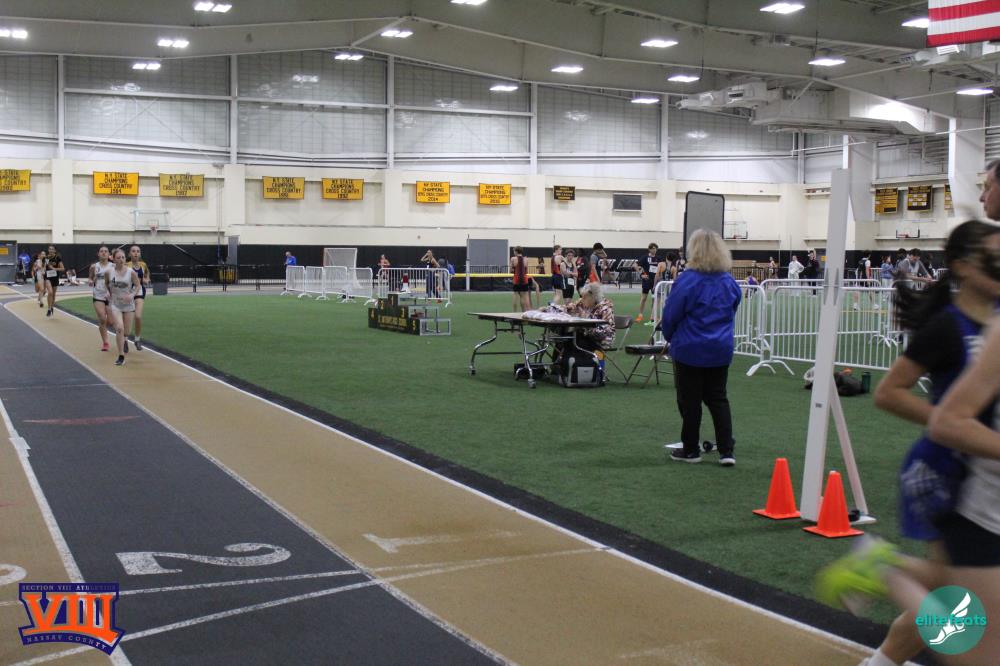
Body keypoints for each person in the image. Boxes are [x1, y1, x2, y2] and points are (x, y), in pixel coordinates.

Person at [856, 221, 1000, 666]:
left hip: (981, 470)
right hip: (944, 471)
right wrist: (951, 422)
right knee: (960, 604)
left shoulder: (995, 321)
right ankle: (880, 567)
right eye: (992, 259)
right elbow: (888, 393)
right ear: (962, 266)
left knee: (953, 591)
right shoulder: (947, 327)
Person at [661, 230, 742, 466]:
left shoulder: (687, 280)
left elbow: (671, 314)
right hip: (720, 348)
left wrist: (669, 335)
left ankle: (690, 449)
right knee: (718, 398)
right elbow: (734, 306)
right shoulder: (728, 281)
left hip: (690, 348)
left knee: (690, 401)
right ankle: (726, 450)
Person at [105, 248, 141, 366]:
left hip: (129, 306)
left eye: (123, 257)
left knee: (127, 331)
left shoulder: (131, 272)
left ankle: (125, 339)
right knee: (119, 328)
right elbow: (106, 284)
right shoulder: (109, 272)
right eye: (118, 258)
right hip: (116, 305)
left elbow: (138, 285)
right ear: (114, 259)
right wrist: (108, 292)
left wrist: (132, 295)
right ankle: (121, 355)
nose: (121, 260)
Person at [564, 281, 616, 353]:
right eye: (582, 296)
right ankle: (560, 360)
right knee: (564, 338)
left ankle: (572, 359)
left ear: (593, 297)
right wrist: (552, 309)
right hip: (586, 336)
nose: (582, 299)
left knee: (574, 342)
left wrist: (586, 322)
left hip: (601, 341)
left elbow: (604, 333)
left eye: (585, 297)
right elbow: (567, 308)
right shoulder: (582, 303)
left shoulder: (605, 309)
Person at [89, 246, 114, 352]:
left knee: (111, 322)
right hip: (98, 295)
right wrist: (91, 281)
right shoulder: (94, 266)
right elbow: (90, 278)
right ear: (98, 254)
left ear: (109, 254)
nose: (103, 253)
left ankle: (102, 326)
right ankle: (105, 342)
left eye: (105, 251)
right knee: (102, 318)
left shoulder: (113, 266)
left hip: (110, 296)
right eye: (101, 251)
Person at [128, 245, 150, 350]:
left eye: (138, 251)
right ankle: (124, 339)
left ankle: (137, 339)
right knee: (127, 319)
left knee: (137, 316)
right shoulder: (126, 265)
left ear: (140, 254)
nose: (136, 253)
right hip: (127, 293)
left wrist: (146, 280)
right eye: (133, 251)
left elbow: (147, 274)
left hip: (139, 292)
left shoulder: (143, 265)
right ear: (129, 254)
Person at [635, 243, 660, 323]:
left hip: (655, 282)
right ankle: (640, 315)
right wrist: (641, 274)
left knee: (654, 299)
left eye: (655, 248)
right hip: (646, 281)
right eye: (653, 248)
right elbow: (635, 265)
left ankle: (652, 317)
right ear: (649, 249)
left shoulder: (658, 258)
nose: (654, 250)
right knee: (643, 298)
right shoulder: (645, 257)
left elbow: (662, 268)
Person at [43, 245, 64, 317]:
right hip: (48, 277)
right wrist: (43, 270)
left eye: (52, 249)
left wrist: (54, 269)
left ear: (55, 250)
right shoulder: (46, 258)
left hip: (55, 277)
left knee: (53, 294)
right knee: (50, 292)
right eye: (50, 249)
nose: (51, 250)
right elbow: (45, 267)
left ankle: (52, 307)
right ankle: (49, 309)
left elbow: (62, 268)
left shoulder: (57, 258)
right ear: (48, 250)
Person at [509, 246, 532, 312]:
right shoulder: (526, 259)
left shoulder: (513, 259)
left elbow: (510, 270)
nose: (514, 252)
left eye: (514, 251)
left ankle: (514, 312)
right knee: (524, 296)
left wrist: (515, 271)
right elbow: (526, 271)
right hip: (524, 279)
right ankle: (525, 311)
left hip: (516, 279)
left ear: (516, 251)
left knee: (515, 294)